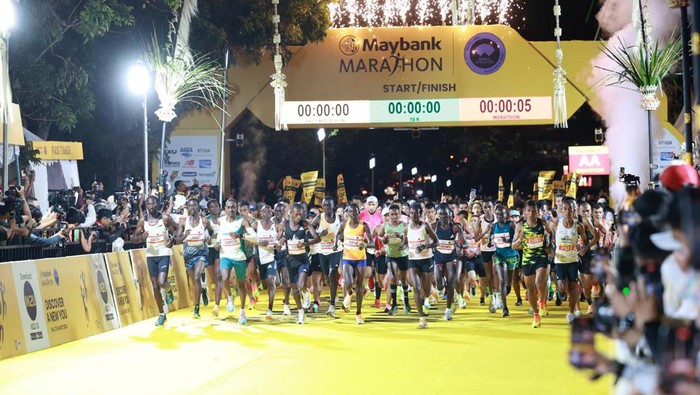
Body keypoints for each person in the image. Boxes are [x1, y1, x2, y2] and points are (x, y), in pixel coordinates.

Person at [133, 196, 177, 326]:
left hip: (163, 253)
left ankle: (168, 290)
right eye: (149, 204)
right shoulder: (142, 221)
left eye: (154, 203)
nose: (151, 206)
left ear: (158, 204)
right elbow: (133, 239)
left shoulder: (165, 218)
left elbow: (177, 229)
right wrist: (141, 237)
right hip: (151, 255)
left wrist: (173, 239)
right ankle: (161, 314)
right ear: (146, 206)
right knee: (155, 286)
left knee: (162, 281)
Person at [513, 200, 553, 328]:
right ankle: (536, 315)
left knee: (539, 281)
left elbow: (551, 233)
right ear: (524, 212)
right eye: (528, 211)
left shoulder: (542, 223)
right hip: (527, 260)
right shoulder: (520, 226)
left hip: (541, 257)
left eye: (534, 210)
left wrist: (549, 245)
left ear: (538, 212)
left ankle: (542, 302)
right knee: (530, 288)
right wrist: (520, 239)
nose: (531, 213)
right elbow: (513, 246)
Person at [215, 199, 253, 325]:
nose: (231, 209)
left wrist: (241, 236)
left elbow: (253, 235)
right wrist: (217, 244)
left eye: (233, 207)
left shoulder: (241, 221)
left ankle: (242, 312)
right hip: (225, 255)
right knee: (224, 277)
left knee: (241, 285)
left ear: (236, 208)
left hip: (239, 256)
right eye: (229, 207)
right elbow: (220, 235)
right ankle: (230, 297)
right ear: (225, 208)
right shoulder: (221, 221)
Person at [551, 197, 588, 323]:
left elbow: (584, 241)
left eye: (570, 209)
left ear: (575, 210)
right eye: (565, 209)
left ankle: (571, 313)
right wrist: (550, 248)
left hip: (573, 260)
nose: (567, 211)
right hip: (560, 260)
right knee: (562, 287)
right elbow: (547, 235)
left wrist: (581, 247)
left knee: (573, 289)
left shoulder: (579, 226)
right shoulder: (556, 223)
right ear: (561, 210)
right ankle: (559, 291)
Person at [336, 203, 374, 324]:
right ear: (348, 213)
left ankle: (358, 313)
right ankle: (349, 293)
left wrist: (366, 244)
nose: (352, 214)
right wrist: (335, 243)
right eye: (350, 212)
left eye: (355, 212)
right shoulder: (344, 224)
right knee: (348, 282)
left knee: (359, 286)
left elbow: (372, 243)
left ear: (358, 212)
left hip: (360, 259)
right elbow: (338, 234)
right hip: (347, 257)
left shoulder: (364, 226)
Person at [177, 198, 214, 319]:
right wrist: (184, 236)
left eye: (194, 205)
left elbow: (211, 232)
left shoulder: (204, 221)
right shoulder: (183, 222)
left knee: (198, 276)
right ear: (187, 207)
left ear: (198, 207)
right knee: (194, 281)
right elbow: (177, 240)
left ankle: (196, 308)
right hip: (188, 254)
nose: (192, 207)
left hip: (201, 253)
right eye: (190, 206)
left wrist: (209, 238)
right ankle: (203, 289)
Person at [283, 203, 320, 324]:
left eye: (300, 214)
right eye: (296, 214)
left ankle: (305, 292)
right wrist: (280, 242)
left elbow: (317, 238)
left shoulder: (305, 224)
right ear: (291, 213)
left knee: (300, 284)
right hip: (291, 261)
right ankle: (300, 311)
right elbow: (280, 238)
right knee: (294, 288)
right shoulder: (284, 225)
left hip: (303, 260)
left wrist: (305, 243)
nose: (299, 217)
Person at [406, 202, 438, 329]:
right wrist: (402, 245)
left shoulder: (425, 226)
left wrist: (425, 246)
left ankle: (431, 292)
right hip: (413, 260)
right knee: (416, 288)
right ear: (409, 214)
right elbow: (405, 243)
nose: (414, 215)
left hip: (427, 260)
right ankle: (421, 318)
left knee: (425, 291)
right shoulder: (406, 227)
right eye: (412, 213)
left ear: (420, 214)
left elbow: (437, 242)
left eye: (417, 213)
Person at [432, 203, 466, 320]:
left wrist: (459, 246)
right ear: (438, 215)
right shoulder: (434, 226)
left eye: (445, 214)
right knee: (439, 283)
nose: (443, 216)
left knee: (451, 282)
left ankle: (447, 310)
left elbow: (465, 243)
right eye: (440, 214)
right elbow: (428, 240)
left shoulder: (456, 227)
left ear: (450, 214)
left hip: (451, 257)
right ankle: (440, 289)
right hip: (438, 256)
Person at [312, 196, 344, 317]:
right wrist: (320, 234)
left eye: (329, 205)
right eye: (324, 205)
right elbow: (311, 232)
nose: (326, 207)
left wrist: (337, 240)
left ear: (333, 206)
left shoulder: (338, 218)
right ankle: (333, 293)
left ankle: (332, 306)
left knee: (332, 273)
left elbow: (342, 232)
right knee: (326, 277)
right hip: (322, 251)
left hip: (335, 250)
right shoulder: (318, 218)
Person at [377, 204, 410, 315]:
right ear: (389, 215)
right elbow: (379, 235)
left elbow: (407, 242)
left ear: (400, 214)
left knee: (404, 279)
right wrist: (384, 239)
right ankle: (394, 304)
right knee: (393, 277)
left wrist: (402, 244)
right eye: (392, 214)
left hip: (402, 255)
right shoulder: (386, 225)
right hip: (390, 255)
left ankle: (406, 301)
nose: (394, 216)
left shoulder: (404, 226)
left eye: (396, 214)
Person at [487, 205, 519, 317]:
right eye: (497, 214)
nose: (499, 216)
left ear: (507, 215)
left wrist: (509, 240)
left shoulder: (511, 224)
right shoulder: (493, 226)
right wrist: (489, 242)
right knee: (501, 279)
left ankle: (503, 293)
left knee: (507, 284)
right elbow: (490, 238)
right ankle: (505, 308)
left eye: (502, 214)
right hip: (499, 255)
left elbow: (519, 236)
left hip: (511, 255)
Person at [251, 205, 279, 320]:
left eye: (268, 212)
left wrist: (278, 243)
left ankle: (270, 310)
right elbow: (249, 237)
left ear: (271, 213)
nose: (266, 214)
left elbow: (279, 239)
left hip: (271, 257)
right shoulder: (256, 225)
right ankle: (258, 286)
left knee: (271, 281)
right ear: (261, 213)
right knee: (265, 282)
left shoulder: (275, 226)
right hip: (260, 258)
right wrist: (258, 243)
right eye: (264, 212)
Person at [358, 195, 383, 308]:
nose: (371, 207)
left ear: (377, 205)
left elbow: (383, 231)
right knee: (367, 272)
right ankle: (367, 284)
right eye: (370, 204)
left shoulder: (380, 216)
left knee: (378, 275)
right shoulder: (361, 215)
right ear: (366, 205)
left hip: (378, 247)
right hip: (366, 247)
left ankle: (377, 299)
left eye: (373, 204)